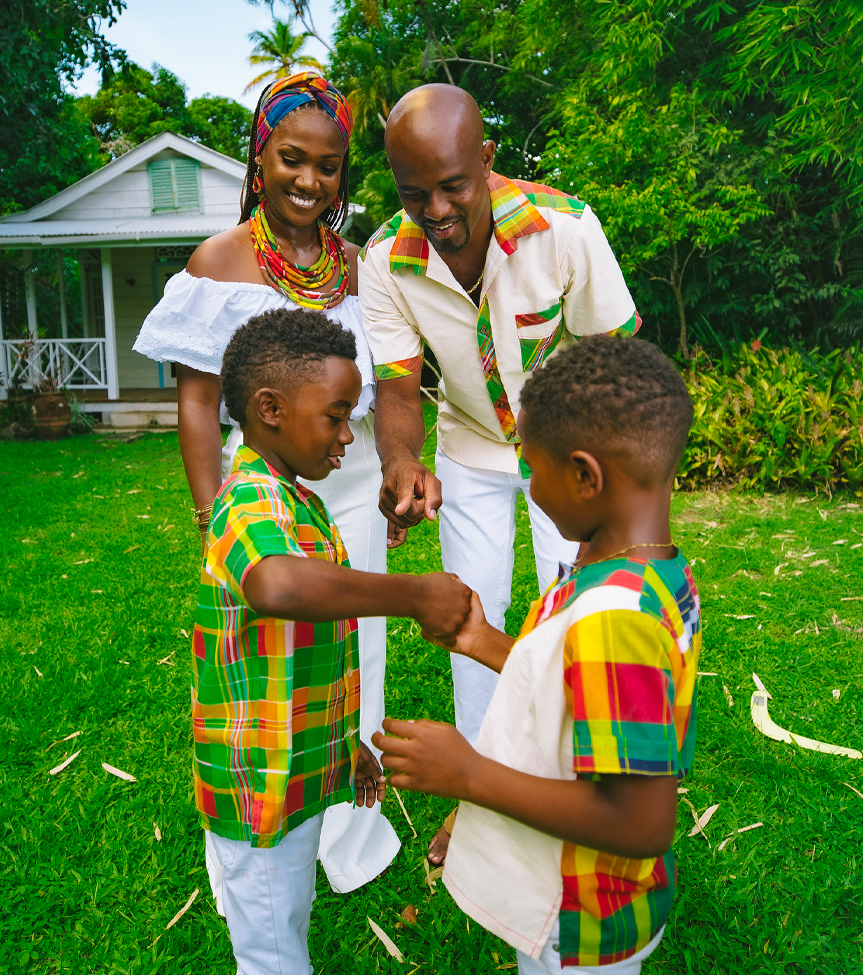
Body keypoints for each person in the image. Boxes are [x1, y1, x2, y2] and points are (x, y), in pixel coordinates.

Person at [357, 83, 642, 863]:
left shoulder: (566, 229)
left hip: (570, 454)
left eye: (452, 186)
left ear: (485, 161)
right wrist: (400, 459)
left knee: (571, 621)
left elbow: (619, 367)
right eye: (415, 195)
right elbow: (394, 386)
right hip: (470, 447)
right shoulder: (384, 260)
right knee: (467, 618)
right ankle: (477, 798)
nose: (437, 210)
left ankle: (580, 784)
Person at [134, 72, 403, 895]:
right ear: (260, 157)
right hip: (265, 498)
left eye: (328, 168)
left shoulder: (358, 267)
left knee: (356, 651)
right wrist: (212, 507)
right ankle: (260, 821)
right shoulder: (218, 260)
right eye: (292, 160)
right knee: (266, 660)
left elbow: (389, 382)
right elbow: (197, 397)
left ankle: (345, 826)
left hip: (349, 488)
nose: (308, 182)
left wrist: (394, 471)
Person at [373, 334, 701, 975]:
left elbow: (640, 822)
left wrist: (465, 774)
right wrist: (485, 643)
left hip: (579, 919)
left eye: (530, 463)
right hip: (570, 899)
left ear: (584, 476)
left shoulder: (620, 621)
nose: (525, 479)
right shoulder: (636, 574)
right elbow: (571, 682)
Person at [199, 308, 471, 974]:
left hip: (298, 770)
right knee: (269, 949)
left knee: (288, 911)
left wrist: (345, 748)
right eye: (336, 415)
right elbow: (279, 588)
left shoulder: (300, 501)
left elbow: (320, 649)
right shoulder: (247, 501)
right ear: (269, 409)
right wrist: (410, 595)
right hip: (256, 784)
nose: (351, 435)